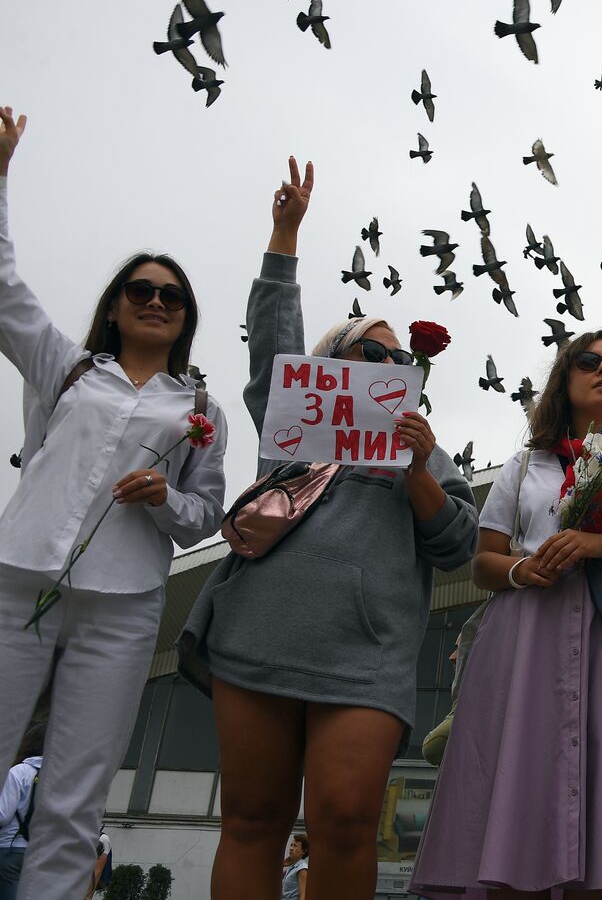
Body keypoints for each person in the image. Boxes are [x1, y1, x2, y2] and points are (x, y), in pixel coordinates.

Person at [177, 157, 478, 900]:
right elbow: (272, 340)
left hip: (366, 656)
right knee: (253, 820)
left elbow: (459, 547)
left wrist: (417, 470)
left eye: (399, 357)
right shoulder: (293, 423)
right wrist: (284, 236)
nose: (390, 363)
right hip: (258, 635)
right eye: (373, 351)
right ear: (331, 362)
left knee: (345, 823)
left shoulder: (422, 448)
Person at [0, 107, 228, 900]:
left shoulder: (198, 408)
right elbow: (5, 288)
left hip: (124, 604)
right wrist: (0, 175)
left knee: (74, 799)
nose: (156, 300)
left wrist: (164, 498)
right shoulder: (65, 368)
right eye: (141, 289)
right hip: (18, 578)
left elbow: (207, 517)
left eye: (172, 295)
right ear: (115, 303)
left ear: (187, 316)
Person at [410, 330, 602, 899]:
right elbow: (482, 561)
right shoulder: (526, 464)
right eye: (590, 361)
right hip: (526, 645)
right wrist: (523, 568)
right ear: (565, 378)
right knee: (520, 797)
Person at [0, 724, 44, 900]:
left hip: (11, 848)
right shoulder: (58, 778)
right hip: (43, 852)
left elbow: (3, 815)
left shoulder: (19, 772)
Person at [282, 834, 309, 900]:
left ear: (304, 851)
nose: (291, 848)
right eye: (291, 845)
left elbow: (303, 896)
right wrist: (283, 864)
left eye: (295, 846)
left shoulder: (302, 869)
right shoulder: (291, 866)